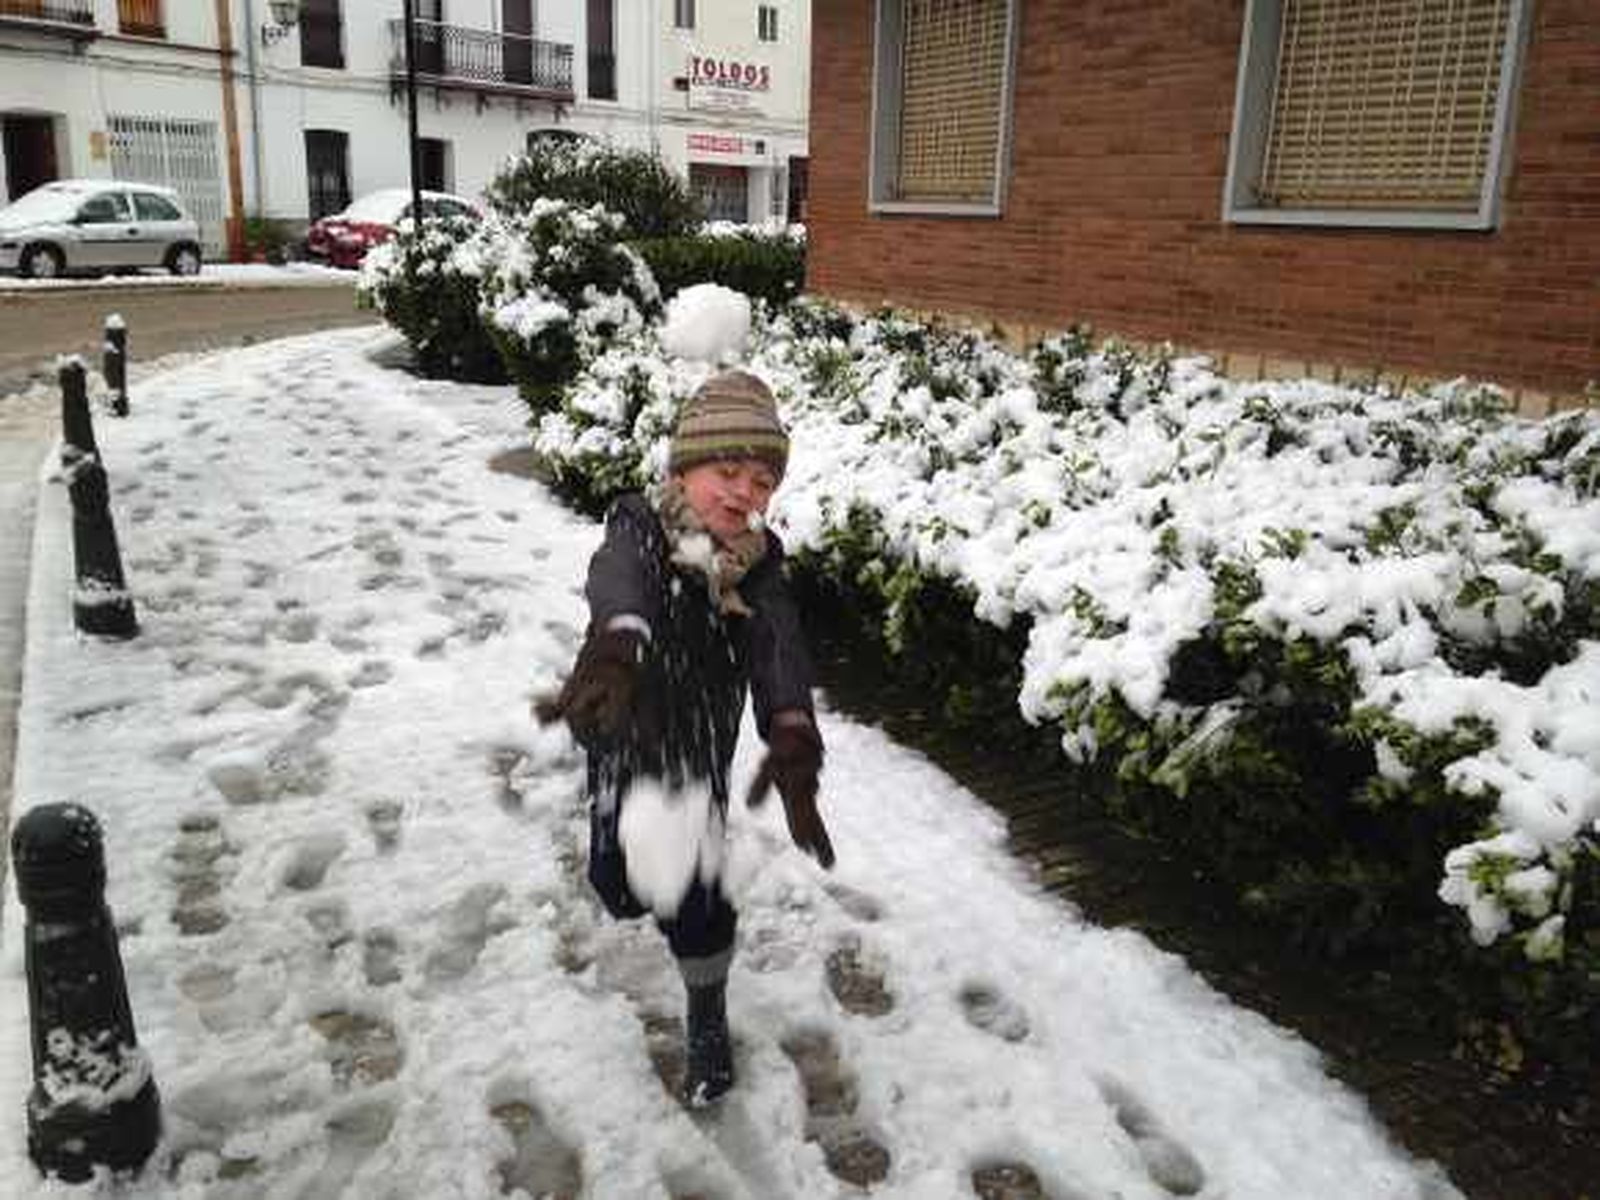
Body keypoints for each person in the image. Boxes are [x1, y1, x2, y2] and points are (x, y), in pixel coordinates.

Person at [537, 368, 834, 1106]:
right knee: (617, 884)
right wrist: (619, 639)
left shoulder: (758, 570)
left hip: (696, 756)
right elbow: (620, 578)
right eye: (726, 473)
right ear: (682, 471)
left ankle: (706, 1012)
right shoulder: (641, 525)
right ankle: (625, 873)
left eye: (761, 482)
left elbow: (777, 645)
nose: (742, 495)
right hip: (619, 721)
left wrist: (791, 723)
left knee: (694, 900)